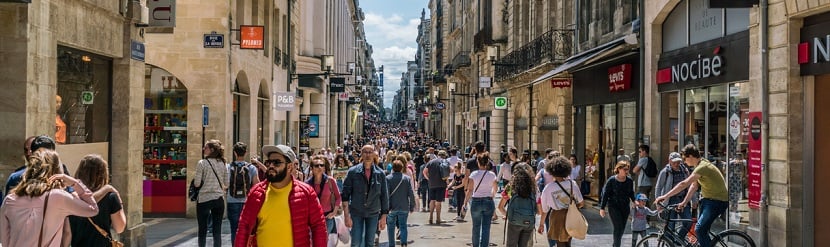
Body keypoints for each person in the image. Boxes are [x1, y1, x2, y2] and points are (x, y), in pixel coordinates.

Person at [0, 149, 99, 246]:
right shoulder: (58, 197)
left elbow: (5, 240)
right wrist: (75, 183)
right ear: (56, 170)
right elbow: (93, 209)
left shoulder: (10, 200)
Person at [655, 144, 729, 247]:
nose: (684, 162)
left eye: (685, 159)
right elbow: (694, 186)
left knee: (699, 229)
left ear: (690, 156)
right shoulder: (699, 166)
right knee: (701, 231)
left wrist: (664, 196)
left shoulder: (703, 167)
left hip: (716, 201)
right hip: (708, 200)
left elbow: (684, 184)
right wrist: (684, 203)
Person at [68, 154, 127, 247]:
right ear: (103, 174)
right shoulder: (110, 197)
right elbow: (120, 228)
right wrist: (119, 202)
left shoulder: (71, 196)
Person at [342, 145, 390, 247]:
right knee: (356, 242)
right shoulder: (353, 172)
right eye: (365, 152)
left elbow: (384, 196)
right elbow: (345, 195)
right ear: (361, 154)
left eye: (370, 152)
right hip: (356, 212)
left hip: (373, 213)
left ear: (374, 155)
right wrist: (346, 216)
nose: (368, 155)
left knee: (370, 242)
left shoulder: (380, 174)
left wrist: (384, 217)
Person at [194, 139, 229, 247]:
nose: (203, 149)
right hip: (218, 199)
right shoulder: (223, 163)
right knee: (217, 230)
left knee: (202, 229)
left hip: (204, 198)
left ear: (212, 150)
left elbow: (197, 183)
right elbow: (226, 183)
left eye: (206, 147)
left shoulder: (202, 163)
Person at [654, 151, 695, 237]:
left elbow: (690, 185)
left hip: (683, 200)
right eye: (674, 162)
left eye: (678, 162)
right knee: (670, 226)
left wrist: (694, 199)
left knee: (688, 222)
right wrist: (659, 202)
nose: (676, 164)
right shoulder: (665, 172)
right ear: (669, 161)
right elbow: (658, 187)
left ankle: (678, 242)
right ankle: (670, 243)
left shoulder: (684, 170)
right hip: (671, 200)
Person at [226, 142, 259, 245]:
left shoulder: (228, 167)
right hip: (246, 201)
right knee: (246, 229)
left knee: (234, 229)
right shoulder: (252, 168)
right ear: (246, 153)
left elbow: (225, 184)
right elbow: (256, 185)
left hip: (232, 201)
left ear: (235, 153)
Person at [305, 154, 342, 246]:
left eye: (322, 165)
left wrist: (334, 212)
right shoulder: (307, 184)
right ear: (312, 169)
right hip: (312, 219)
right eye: (317, 165)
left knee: (322, 241)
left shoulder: (330, 181)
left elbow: (338, 197)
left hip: (327, 217)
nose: (320, 167)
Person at [464, 152, 497, 247]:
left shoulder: (474, 174)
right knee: (486, 227)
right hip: (488, 201)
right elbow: (495, 188)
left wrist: (465, 203)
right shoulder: (492, 175)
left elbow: (470, 190)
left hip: (476, 201)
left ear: (478, 162)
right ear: (487, 163)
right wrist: (492, 196)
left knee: (476, 226)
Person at [599, 161, 636, 247]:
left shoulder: (629, 180)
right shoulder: (612, 180)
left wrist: (634, 201)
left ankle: (615, 244)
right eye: (624, 169)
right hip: (614, 207)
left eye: (627, 169)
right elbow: (606, 194)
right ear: (619, 169)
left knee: (621, 229)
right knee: (618, 227)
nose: (626, 171)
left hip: (625, 208)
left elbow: (631, 192)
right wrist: (602, 208)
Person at [499, 163, 536, 247]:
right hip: (529, 222)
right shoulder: (534, 188)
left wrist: (509, 216)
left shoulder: (511, 187)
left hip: (514, 222)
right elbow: (539, 210)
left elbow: (500, 207)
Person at [386, 157, 416, 247]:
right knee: (403, 225)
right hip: (404, 206)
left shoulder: (388, 178)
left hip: (391, 207)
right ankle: (403, 243)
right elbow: (411, 193)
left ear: (392, 168)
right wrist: (412, 206)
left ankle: (392, 244)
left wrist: (386, 207)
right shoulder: (406, 179)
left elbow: (386, 194)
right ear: (402, 167)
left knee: (390, 227)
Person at [422, 150, 449, 224]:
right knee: (438, 202)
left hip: (431, 184)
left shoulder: (431, 162)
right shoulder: (444, 161)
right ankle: (438, 218)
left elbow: (424, 172)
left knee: (432, 200)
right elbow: (451, 170)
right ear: (444, 155)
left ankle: (430, 217)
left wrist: (428, 178)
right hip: (441, 184)